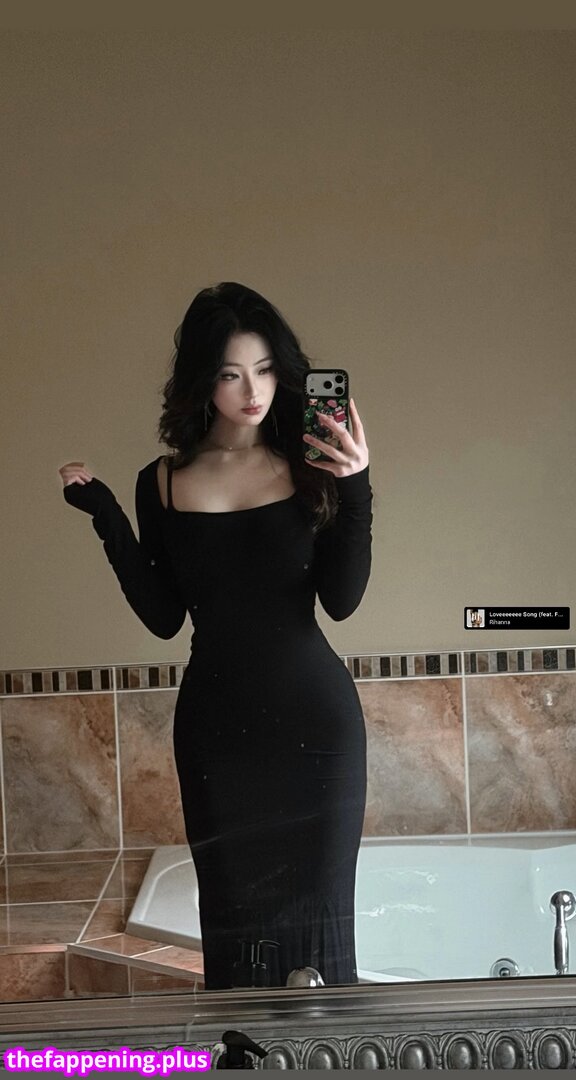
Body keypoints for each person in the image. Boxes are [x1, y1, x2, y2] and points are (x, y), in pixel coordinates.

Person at [59, 282, 373, 990]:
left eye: (265, 370)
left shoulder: (311, 464)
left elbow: (343, 600)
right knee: (233, 931)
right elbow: (163, 616)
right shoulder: (163, 483)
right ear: (205, 380)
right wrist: (107, 516)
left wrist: (355, 485)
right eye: (231, 374)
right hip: (217, 735)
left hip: (317, 730)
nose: (253, 391)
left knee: (320, 940)